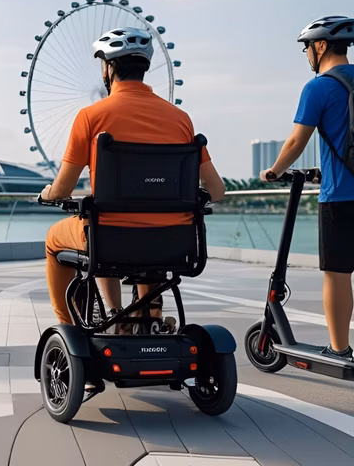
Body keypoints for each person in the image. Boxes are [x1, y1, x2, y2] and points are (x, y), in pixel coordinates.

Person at [40, 28, 226, 332]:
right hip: (173, 241)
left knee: (59, 237)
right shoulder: (180, 119)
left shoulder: (91, 116)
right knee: (135, 232)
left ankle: (74, 325)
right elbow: (217, 190)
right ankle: (148, 313)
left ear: (108, 68)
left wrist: (49, 192)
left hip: (111, 237)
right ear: (145, 66)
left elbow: (63, 187)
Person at [260, 15, 354, 359]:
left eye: (306, 47)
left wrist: (275, 171)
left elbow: (295, 141)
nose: (307, 54)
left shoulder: (318, 87)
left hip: (341, 196)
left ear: (320, 46)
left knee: (337, 274)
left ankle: (339, 349)